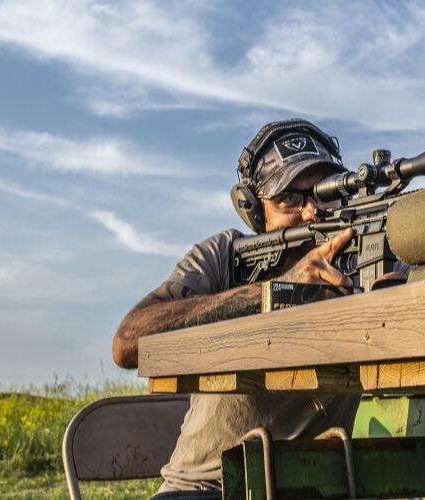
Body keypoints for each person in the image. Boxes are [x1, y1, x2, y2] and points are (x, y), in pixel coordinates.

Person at [111, 119, 364, 498]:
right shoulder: (224, 258)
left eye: (325, 192)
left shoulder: (365, 254)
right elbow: (127, 343)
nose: (312, 212)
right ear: (255, 211)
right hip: (205, 487)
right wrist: (272, 293)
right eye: (290, 200)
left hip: (314, 485)